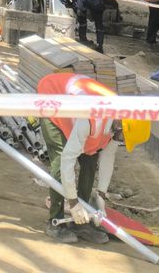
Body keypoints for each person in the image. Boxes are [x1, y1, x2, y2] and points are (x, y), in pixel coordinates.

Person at [36, 71, 147, 243]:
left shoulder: (120, 120)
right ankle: (55, 223)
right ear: (120, 125)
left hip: (76, 111)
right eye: (122, 137)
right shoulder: (92, 119)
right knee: (60, 160)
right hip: (53, 97)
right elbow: (67, 160)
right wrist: (72, 203)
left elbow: (108, 158)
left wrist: (101, 196)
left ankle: (80, 223)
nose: (119, 141)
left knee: (90, 160)